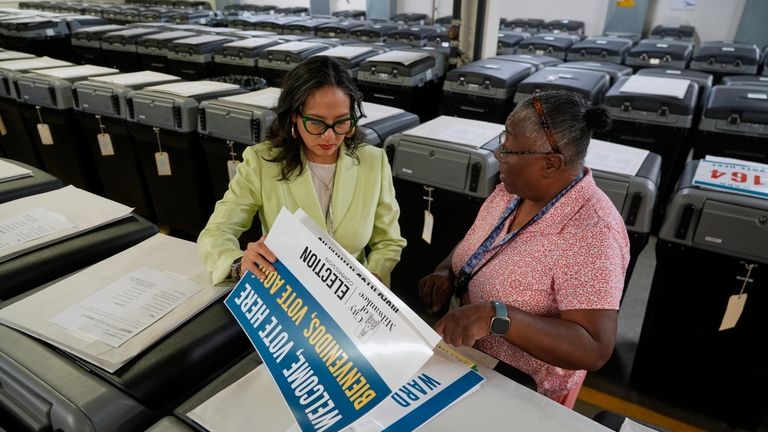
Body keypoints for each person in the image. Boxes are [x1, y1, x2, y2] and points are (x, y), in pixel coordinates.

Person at [417, 90, 629, 406]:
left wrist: (496, 316)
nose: (498, 154)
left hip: (521, 390)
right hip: (470, 362)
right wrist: (448, 270)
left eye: (510, 149)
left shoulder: (592, 232)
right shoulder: (512, 191)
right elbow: (481, 242)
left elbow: (594, 347)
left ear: (550, 163)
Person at [198, 56, 406, 287]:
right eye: (316, 122)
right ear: (295, 116)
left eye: (341, 122)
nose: (330, 136)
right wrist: (238, 263)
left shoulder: (372, 161)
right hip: (287, 294)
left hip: (354, 295)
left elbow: (388, 241)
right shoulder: (262, 162)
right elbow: (215, 233)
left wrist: (372, 280)